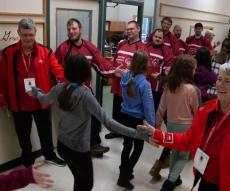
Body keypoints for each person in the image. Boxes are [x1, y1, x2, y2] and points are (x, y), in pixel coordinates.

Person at [139, 61, 230, 191]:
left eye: (227, 81)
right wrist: (158, 134)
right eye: (220, 79)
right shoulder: (206, 110)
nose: (220, 85)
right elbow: (187, 140)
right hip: (205, 179)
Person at [30, 54, 149, 191]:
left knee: (79, 179)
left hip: (62, 147)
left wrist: (36, 91)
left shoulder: (59, 88)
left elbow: (43, 99)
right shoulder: (85, 95)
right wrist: (138, 134)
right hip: (79, 151)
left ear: (67, 71)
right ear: (86, 73)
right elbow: (108, 122)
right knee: (86, 184)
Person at [0, 18, 65, 167]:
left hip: (42, 101)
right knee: (23, 135)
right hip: (19, 104)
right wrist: (3, 100)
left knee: (46, 131)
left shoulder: (46, 51)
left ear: (35, 32)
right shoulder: (8, 53)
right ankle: (28, 159)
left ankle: (49, 155)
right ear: (18, 33)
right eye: (24, 35)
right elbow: (2, 79)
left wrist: (71, 84)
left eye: (31, 34)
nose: (28, 38)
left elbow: (58, 71)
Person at [55, 18, 113, 157]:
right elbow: (55, 68)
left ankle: (95, 144)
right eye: (69, 29)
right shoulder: (63, 48)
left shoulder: (89, 47)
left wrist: (114, 72)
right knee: (75, 120)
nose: (71, 31)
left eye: (74, 28)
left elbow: (102, 64)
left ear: (80, 30)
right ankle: (75, 147)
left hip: (86, 90)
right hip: (70, 91)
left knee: (94, 115)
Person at [156, 55, 200, 191]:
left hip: (171, 124)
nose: (195, 71)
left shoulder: (169, 86)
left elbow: (161, 107)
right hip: (186, 127)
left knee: (175, 152)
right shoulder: (191, 90)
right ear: (188, 70)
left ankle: (174, 178)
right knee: (183, 156)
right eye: (194, 69)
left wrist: (157, 124)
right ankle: (169, 182)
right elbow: (197, 111)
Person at [117, 50, 155, 189]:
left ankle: (124, 171)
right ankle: (124, 175)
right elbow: (148, 107)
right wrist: (152, 126)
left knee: (127, 146)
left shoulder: (126, 77)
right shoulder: (145, 84)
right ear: (145, 65)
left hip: (124, 116)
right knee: (138, 148)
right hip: (136, 120)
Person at [107, 20, 148, 139]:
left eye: (132, 29)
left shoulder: (141, 47)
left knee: (127, 110)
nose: (129, 31)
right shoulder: (121, 44)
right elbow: (114, 60)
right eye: (128, 29)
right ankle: (115, 130)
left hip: (130, 86)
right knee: (116, 107)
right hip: (117, 83)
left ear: (138, 29)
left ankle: (125, 133)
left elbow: (143, 69)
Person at [146, 29, 174, 182]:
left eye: (160, 38)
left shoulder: (167, 51)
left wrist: (162, 75)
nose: (157, 39)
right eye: (156, 37)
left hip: (157, 87)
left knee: (156, 111)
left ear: (163, 39)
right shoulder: (146, 46)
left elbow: (168, 68)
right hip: (144, 85)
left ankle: (153, 131)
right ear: (153, 37)